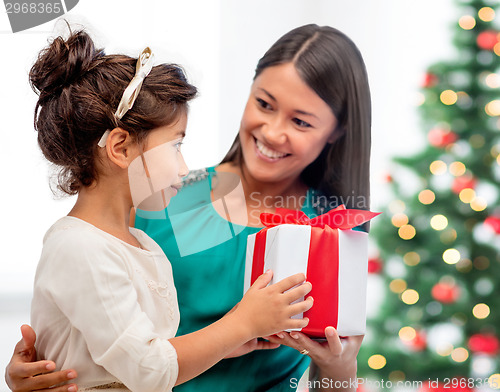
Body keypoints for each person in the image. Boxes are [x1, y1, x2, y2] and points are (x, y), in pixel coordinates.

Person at [6, 24, 371, 391]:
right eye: (264, 104)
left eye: (301, 121)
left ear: (336, 131)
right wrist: (33, 373)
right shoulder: (158, 194)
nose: (273, 132)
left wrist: (341, 368)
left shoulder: (330, 232)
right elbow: (88, 319)